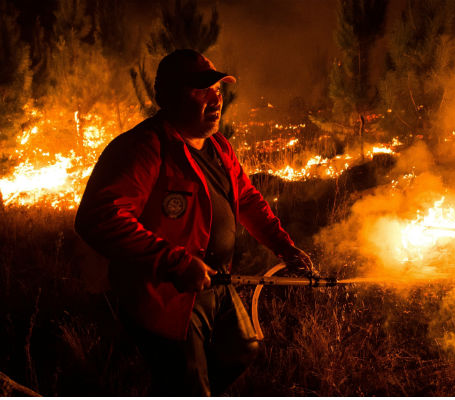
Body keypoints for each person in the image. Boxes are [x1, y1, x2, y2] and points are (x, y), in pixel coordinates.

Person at [74, 48, 316, 396]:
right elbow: (100, 218)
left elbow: (246, 199)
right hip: (166, 294)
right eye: (201, 89)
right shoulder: (144, 148)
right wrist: (174, 262)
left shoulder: (218, 146)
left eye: (217, 89)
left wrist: (284, 247)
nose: (215, 99)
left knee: (242, 348)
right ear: (168, 96)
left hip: (217, 280)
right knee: (187, 382)